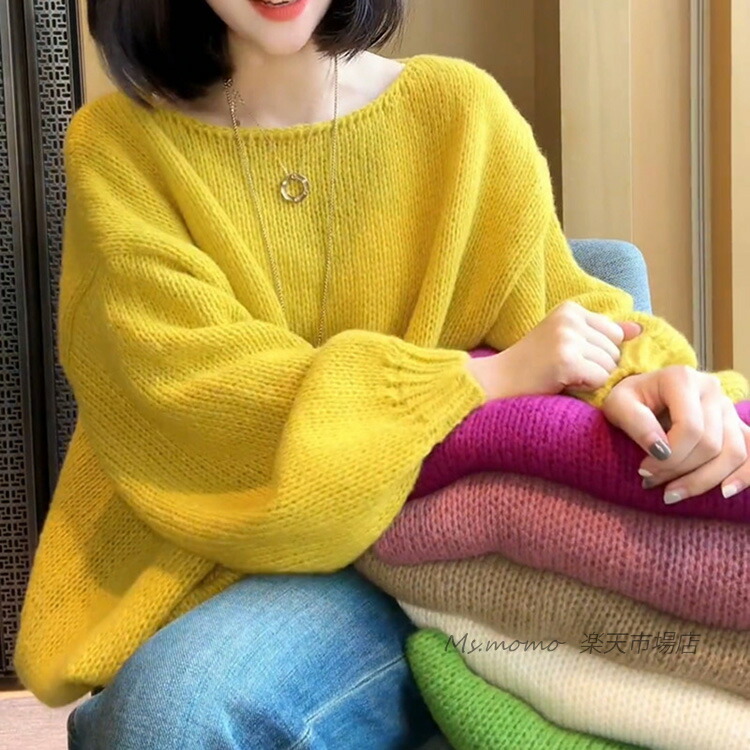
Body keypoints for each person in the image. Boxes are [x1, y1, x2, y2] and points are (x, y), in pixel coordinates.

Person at [15, 0, 749, 747]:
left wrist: (662, 385)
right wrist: (475, 382)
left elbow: (565, 307)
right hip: (223, 560)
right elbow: (191, 398)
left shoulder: (460, 114)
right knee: (171, 712)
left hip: (438, 551)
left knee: (174, 712)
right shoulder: (121, 145)